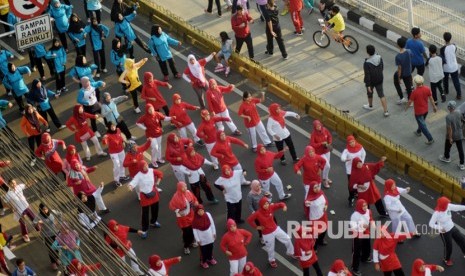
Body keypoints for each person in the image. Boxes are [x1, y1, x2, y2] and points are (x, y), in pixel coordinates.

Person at [247, 197, 294, 268]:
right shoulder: (258, 213)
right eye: (264, 204)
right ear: (261, 205)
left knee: (287, 238)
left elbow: (280, 204)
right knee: (270, 248)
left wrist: (284, 206)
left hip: (276, 229)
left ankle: (291, 252)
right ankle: (271, 260)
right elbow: (249, 220)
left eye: (267, 203)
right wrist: (257, 227)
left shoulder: (271, 207)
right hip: (267, 234)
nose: (266, 205)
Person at [128, 160, 163, 234]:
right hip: (144, 196)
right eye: (144, 166)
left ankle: (153, 222)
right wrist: (130, 186)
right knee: (145, 214)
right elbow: (133, 182)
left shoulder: (151, 170)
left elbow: (160, 174)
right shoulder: (138, 175)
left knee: (155, 210)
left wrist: (158, 182)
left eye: (146, 165)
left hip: (153, 193)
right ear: (141, 168)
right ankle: (144, 229)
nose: (146, 167)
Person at [429, 196, 465, 266]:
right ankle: (446, 259)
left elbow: (457, 207)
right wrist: (439, 227)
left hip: (452, 227)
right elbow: (431, 224)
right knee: (449, 246)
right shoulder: (436, 213)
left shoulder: (448, 206)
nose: (448, 203)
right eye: (447, 203)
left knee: (462, 240)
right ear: (443, 205)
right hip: (444, 231)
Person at [405, 75, 437, 145]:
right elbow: (431, 98)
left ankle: (430, 138)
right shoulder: (427, 89)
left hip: (418, 112)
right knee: (421, 123)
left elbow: (410, 101)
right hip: (426, 110)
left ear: (415, 83)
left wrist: (406, 108)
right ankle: (418, 131)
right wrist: (434, 107)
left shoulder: (414, 92)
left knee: (423, 126)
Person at [169, 182, 199, 255]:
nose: (185, 188)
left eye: (185, 186)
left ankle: (191, 241)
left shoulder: (188, 192)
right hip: (183, 218)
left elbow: (194, 199)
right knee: (186, 232)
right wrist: (178, 211)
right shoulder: (175, 197)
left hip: (191, 214)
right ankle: (186, 246)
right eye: (183, 187)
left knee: (191, 229)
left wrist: (196, 202)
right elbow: (171, 206)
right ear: (179, 188)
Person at [349, 199, 375, 276]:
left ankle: (365, 257)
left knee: (367, 246)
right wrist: (361, 225)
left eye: (366, 205)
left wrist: (373, 225)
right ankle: (354, 268)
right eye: (363, 206)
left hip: (366, 231)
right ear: (359, 206)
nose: (365, 207)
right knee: (356, 251)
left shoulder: (368, 211)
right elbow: (353, 227)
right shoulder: (354, 215)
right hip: (357, 234)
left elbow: (371, 219)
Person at [363, 45, 389, 116]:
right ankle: (386, 111)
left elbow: (367, 75)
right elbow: (382, 67)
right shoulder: (379, 57)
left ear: (367, 52)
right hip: (379, 79)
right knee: (381, 95)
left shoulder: (367, 63)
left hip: (371, 81)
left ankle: (370, 106)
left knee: (369, 93)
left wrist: (368, 85)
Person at [341, 135, 366, 206]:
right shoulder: (347, 150)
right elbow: (342, 157)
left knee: (359, 182)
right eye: (350, 142)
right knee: (351, 185)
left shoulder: (360, 147)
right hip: (350, 170)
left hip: (358, 169)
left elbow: (364, 154)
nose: (352, 143)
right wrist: (345, 159)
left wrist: (362, 163)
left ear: (355, 141)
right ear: (348, 143)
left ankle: (356, 193)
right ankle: (351, 197)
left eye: (353, 141)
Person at [102, 122, 129, 187]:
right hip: (113, 153)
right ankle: (116, 180)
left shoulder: (118, 130)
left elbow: (121, 137)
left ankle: (122, 175)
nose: (113, 127)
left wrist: (123, 142)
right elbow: (104, 143)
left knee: (123, 163)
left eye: (114, 126)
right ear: (109, 128)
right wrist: (104, 138)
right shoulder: (108, 135)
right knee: (117, 165)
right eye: (111, 127)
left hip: (121, 150)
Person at [439, 100, 464, 169]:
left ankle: (447, 158)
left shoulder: (448, 117)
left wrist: (450, 138)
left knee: (447, 147)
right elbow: (462, 119)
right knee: (460, 150)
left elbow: (449, 129)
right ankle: (462, 164)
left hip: (452, 135)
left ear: (449, 107)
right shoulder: (459, 112)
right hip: (459, 134)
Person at [304, 181, 328, 250]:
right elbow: (306, 204)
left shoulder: (321, 193)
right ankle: (314, 247)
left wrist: (326, 206)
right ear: (311, 189)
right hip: (315, 218)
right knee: (315, 234)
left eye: (317, 186)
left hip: (323, 215)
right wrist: (306, 203)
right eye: (315, 188)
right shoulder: (309, 199)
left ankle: (321, 241)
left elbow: (325, 200)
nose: (317, 189)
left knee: (324, 229)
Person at [36, 203, 60, 270]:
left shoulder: (52, 212)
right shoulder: (39, 216)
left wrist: (58, 222)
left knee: (57, 247)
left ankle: (57, 258)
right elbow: (34, 223)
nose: (45, 210)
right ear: (40, 210)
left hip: (55, 233)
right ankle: (53, 263)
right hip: (46, 235)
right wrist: (38, 224)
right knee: (51, 249)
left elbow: (60, 213)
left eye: (46, 209)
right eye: (43, 209)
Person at [246, 180, 272, 245]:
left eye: (259, 185)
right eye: (257, 186)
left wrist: (269, 195)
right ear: (253, 187)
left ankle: (273, 232)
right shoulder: (250, 195)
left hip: (266, 210)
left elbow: (270, 195)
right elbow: (249, 205)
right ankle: (261, 237)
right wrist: (253, 211)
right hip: (258, 213)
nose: (259, 187)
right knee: (259, 226)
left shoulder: (262, 191)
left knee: (272, 220)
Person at [309, 120, 332, 187]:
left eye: (319, 126)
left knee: (327, 166)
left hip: (326, 150)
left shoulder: (325, 130)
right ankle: (324, 180)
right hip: (319, 153)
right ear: (314, 127)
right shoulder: (313, 134)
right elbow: (312, 144)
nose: (318, 127)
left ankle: (326, 178)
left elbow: (329, 136)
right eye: (317, 127)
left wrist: (329, 143)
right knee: (327, 166)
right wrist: (321, 144)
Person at [442, 32, 462, 100]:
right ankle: (459, 95)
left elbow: (442, 57)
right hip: (454, 66)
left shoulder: (443, 49)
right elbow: (454, 49)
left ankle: (446, 91)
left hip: (446, 67)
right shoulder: (454, 46)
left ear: (444, 39)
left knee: (445, 80)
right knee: (456, 81)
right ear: (450, 38)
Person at [393, 37, 413, 104]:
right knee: (408, 86)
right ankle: (410, 101)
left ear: (398, 45)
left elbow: (399, 68)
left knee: (396, 83)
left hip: (402, 73)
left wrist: (399, 78)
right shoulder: (409, 51)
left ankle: (401, 98)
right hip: (408, 72)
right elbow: (411, 56)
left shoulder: (398, 56)